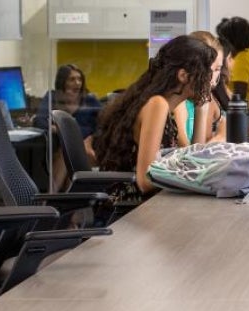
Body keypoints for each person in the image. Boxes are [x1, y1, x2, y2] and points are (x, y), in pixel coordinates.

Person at [92, 35, 217, 196]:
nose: (210, 80)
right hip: (134, 207)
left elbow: (190, 157)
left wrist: (202, 108)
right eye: (205, 72)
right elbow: (145, 181)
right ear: (183, 76)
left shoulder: (164, 107)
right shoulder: (157, 105)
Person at [34, 64, 102, 191]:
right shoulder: (53, 97)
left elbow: (104, 124)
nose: (77, 83)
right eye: (72, 79)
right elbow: (40, 121)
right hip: (60, 148)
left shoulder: (89, 100)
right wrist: (61, 130)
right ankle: (63, 204)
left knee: (67, 154)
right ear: (62, 82)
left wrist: (88, 137)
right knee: (66, 153)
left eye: (79, 79)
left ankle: (51, 199)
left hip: (87, 148)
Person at [173, 30, 225, 147]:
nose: (211, 77)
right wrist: (219, 138)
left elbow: (226, 126)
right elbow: (189, 155)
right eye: (207, 69)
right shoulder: (178, 101)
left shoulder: (207, 97)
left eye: (217, 69)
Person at [216, 16, 249, 122]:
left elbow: (239, 96)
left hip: (241, 117)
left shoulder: (242, 59)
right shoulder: (246, 55)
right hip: (243, 113)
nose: (221, 42)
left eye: (223, 38)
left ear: (232, 40)